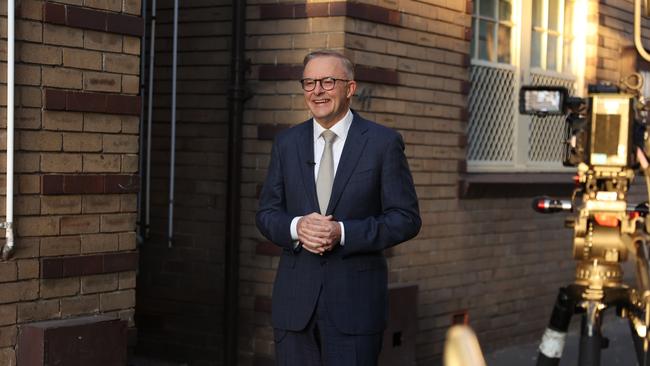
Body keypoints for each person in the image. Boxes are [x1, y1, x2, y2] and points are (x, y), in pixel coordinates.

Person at [256, 50, 421, 366]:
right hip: (295, 309)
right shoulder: (287, 143)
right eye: (309, 82)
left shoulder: (382, 143)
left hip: (355, 309)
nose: (317, 90)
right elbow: (267, 213)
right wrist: (296, 227)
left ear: (350, 88)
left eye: (328, 81)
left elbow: (406, 219)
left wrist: (342, 232)